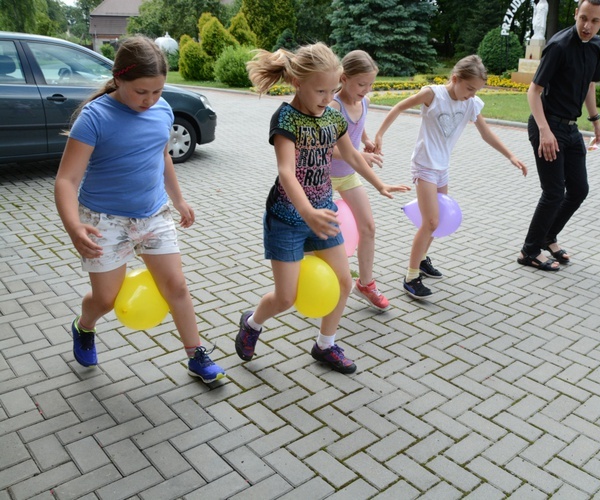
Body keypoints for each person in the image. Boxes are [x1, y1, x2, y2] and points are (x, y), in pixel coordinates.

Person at [54, 36, 225, 384]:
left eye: (157, 91)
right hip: (104, 219)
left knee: (176, 285)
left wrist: (178, 199)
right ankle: (84, 326)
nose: (150, 100)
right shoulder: (95, 117)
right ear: (118, 79)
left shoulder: (162, 110)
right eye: (141, 92)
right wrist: (74, 227)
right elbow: (66, 181)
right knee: (106, 298)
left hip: (152, 214)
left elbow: (161, 156)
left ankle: (196, 354)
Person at [237, 43, 409, 374]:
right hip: (287, 218)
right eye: (320, 90)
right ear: (297, 83)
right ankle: (253, 323)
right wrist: (307, 212)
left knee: (344, 282)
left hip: (323, 213)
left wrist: (379, 184)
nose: (327, 97)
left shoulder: (332, 115)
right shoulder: (286, 118)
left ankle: (324, 345)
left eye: (333, 90)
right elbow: (286, 171)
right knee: (286, 297)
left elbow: (354, 155)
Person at [375, 55, 528, 299]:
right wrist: (380, 134)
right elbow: (399, 107)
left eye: (476, 90)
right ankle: (411, 277)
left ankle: (422, 260)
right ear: (455, 79)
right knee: (431, 222)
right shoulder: (433, 95)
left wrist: (510, 155)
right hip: (424, 164)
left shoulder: (471, 104)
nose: (471, 94)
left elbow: (486, 134)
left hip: (442, 167)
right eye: (469, 88)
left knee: (439, 218)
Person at [518, 0, 600, 271]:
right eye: (583, 18)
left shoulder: (596, 46)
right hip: (547, 126)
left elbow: (589, 85)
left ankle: (548, 236)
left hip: (570, 128)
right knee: (554, 191)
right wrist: (545, 131)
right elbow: (533, 91)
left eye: (594, 21)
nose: (587, 26)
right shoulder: (559, 46)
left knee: (579, 189)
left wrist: (595, 121)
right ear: (575, 14)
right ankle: (529, 251)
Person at [329, 50, 390, 311]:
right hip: (323, 177)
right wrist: (361, 156)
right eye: (361, 84)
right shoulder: (332, 106)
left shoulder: (362, 102)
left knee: (369, 227)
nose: (366, 90)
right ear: (344, 78)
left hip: (348, 175)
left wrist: (365, 139)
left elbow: (357, 124)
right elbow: (328, 147)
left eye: (370, 85)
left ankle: (365, 284)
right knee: (319, 234)